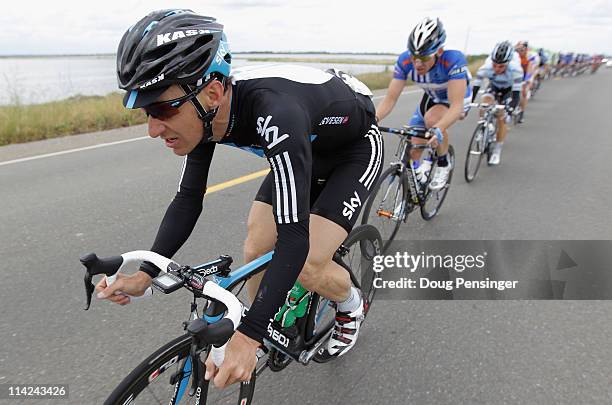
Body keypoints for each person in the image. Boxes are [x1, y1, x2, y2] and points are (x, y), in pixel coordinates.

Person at [95, 9, 382, 388]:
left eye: (162, 108)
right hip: (302, 147)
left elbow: (294, 237)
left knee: (308, 261)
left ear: (212, 92)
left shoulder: (274, 111)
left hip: (352, 149)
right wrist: (146, 275)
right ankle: (272, 322)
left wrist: (248, 335)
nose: (152, 129)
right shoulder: (205, 111)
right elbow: (188, 200)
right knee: (256, 243)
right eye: (146, 111)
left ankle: (349, 306)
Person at [376, 17, 471, 190]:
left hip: (456, 99)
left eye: (424, 57)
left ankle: (443, 163)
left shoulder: (452, 60)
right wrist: (373, 119)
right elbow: (390, 98)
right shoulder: (405, 61)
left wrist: (439, 128)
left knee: (432, 121)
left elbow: (456, 106)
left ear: (439, 51)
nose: (417, 63)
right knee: (414, 143)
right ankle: (419, 180)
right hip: (432, 97)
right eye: (414, 56)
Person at [472, 41, 523, 165]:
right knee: (484, 104)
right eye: (495, 65)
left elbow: (516, 95)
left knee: (501, 118)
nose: (497, 68)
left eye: (501, 66)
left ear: (508, 63)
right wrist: (468, 103)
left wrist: (510, 110)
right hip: (494, 86)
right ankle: (484, 127)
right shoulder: (485, 68)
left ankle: (497, 151)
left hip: (509, 90)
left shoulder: (516, 70)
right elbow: (475, 89)